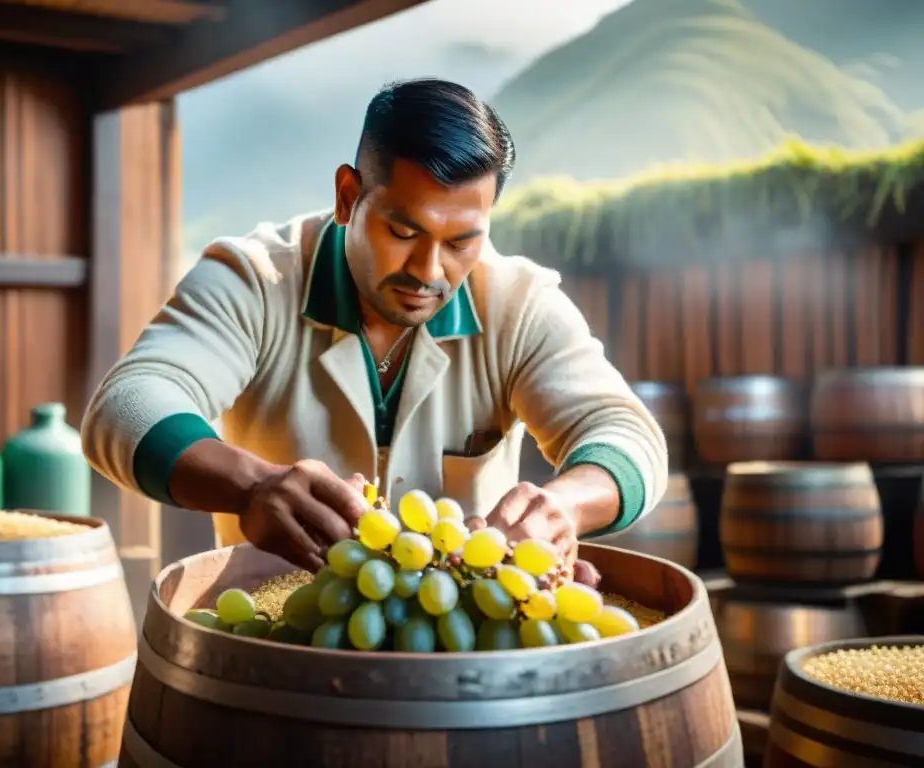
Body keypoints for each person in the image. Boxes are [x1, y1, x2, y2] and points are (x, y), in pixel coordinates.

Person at [82, 78, 668, 581]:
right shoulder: (254, 280)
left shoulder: (519, 304)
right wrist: (251, 487)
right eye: (404, 232)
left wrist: (564, 505)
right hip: (276, 644)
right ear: (347, 196)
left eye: (462, 241)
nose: (430, 271)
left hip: (467, 654)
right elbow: (127, 406)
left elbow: (627, 435)